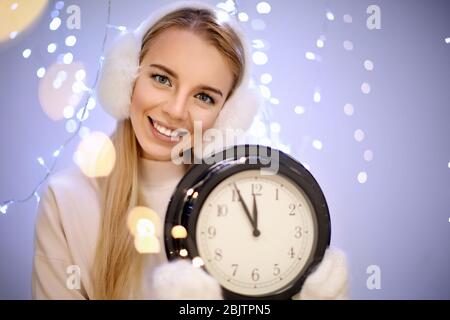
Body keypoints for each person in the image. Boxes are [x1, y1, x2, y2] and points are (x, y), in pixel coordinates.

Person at [32, 0, 349, 300]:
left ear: (226, 116)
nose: (176, 110)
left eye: (204, 97)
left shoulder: (252, 199)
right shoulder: (67, 198)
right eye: (161, 79)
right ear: (126, 76)